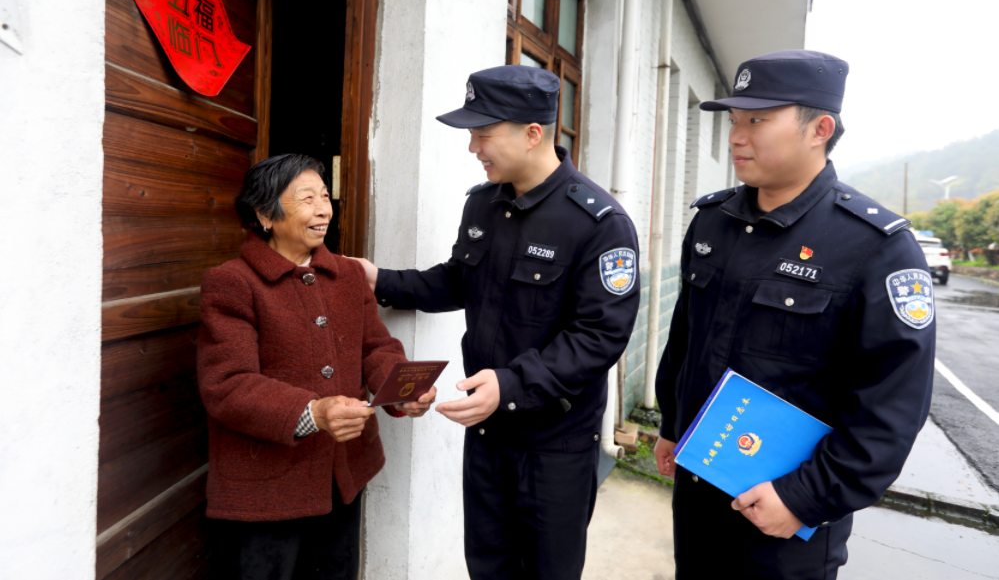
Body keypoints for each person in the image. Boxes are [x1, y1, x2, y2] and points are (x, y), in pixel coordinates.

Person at [350, 65, 641, 579]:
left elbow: (599, 337)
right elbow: (458, 280)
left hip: (554, 444)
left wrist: (510, 384)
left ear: (532, 134)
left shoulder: (599, 223)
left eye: (483, 134)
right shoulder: (485, 205)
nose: (473, 148)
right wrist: (380, 280)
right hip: (487, 434)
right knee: (488, 567)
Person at [653, 50, 935, 578]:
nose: (737, 137)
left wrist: (806, 497)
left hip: (784, 521)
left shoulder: (875, 247)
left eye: (757, 121)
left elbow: (892, 407)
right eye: (735, 121)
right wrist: (673, 423)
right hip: (698, 489)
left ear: (819, 130)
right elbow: (686, 338)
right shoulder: (713, 222)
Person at [197, 154, 436, 580]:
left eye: (325, 197)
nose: (324, 209)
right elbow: (228, 385)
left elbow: (375, 347)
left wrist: (400, 391)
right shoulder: (233, 282)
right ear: (264, 215)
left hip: (342, 474)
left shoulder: (347, 275)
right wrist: (312, 412)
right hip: (267, 486)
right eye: (307, 199)